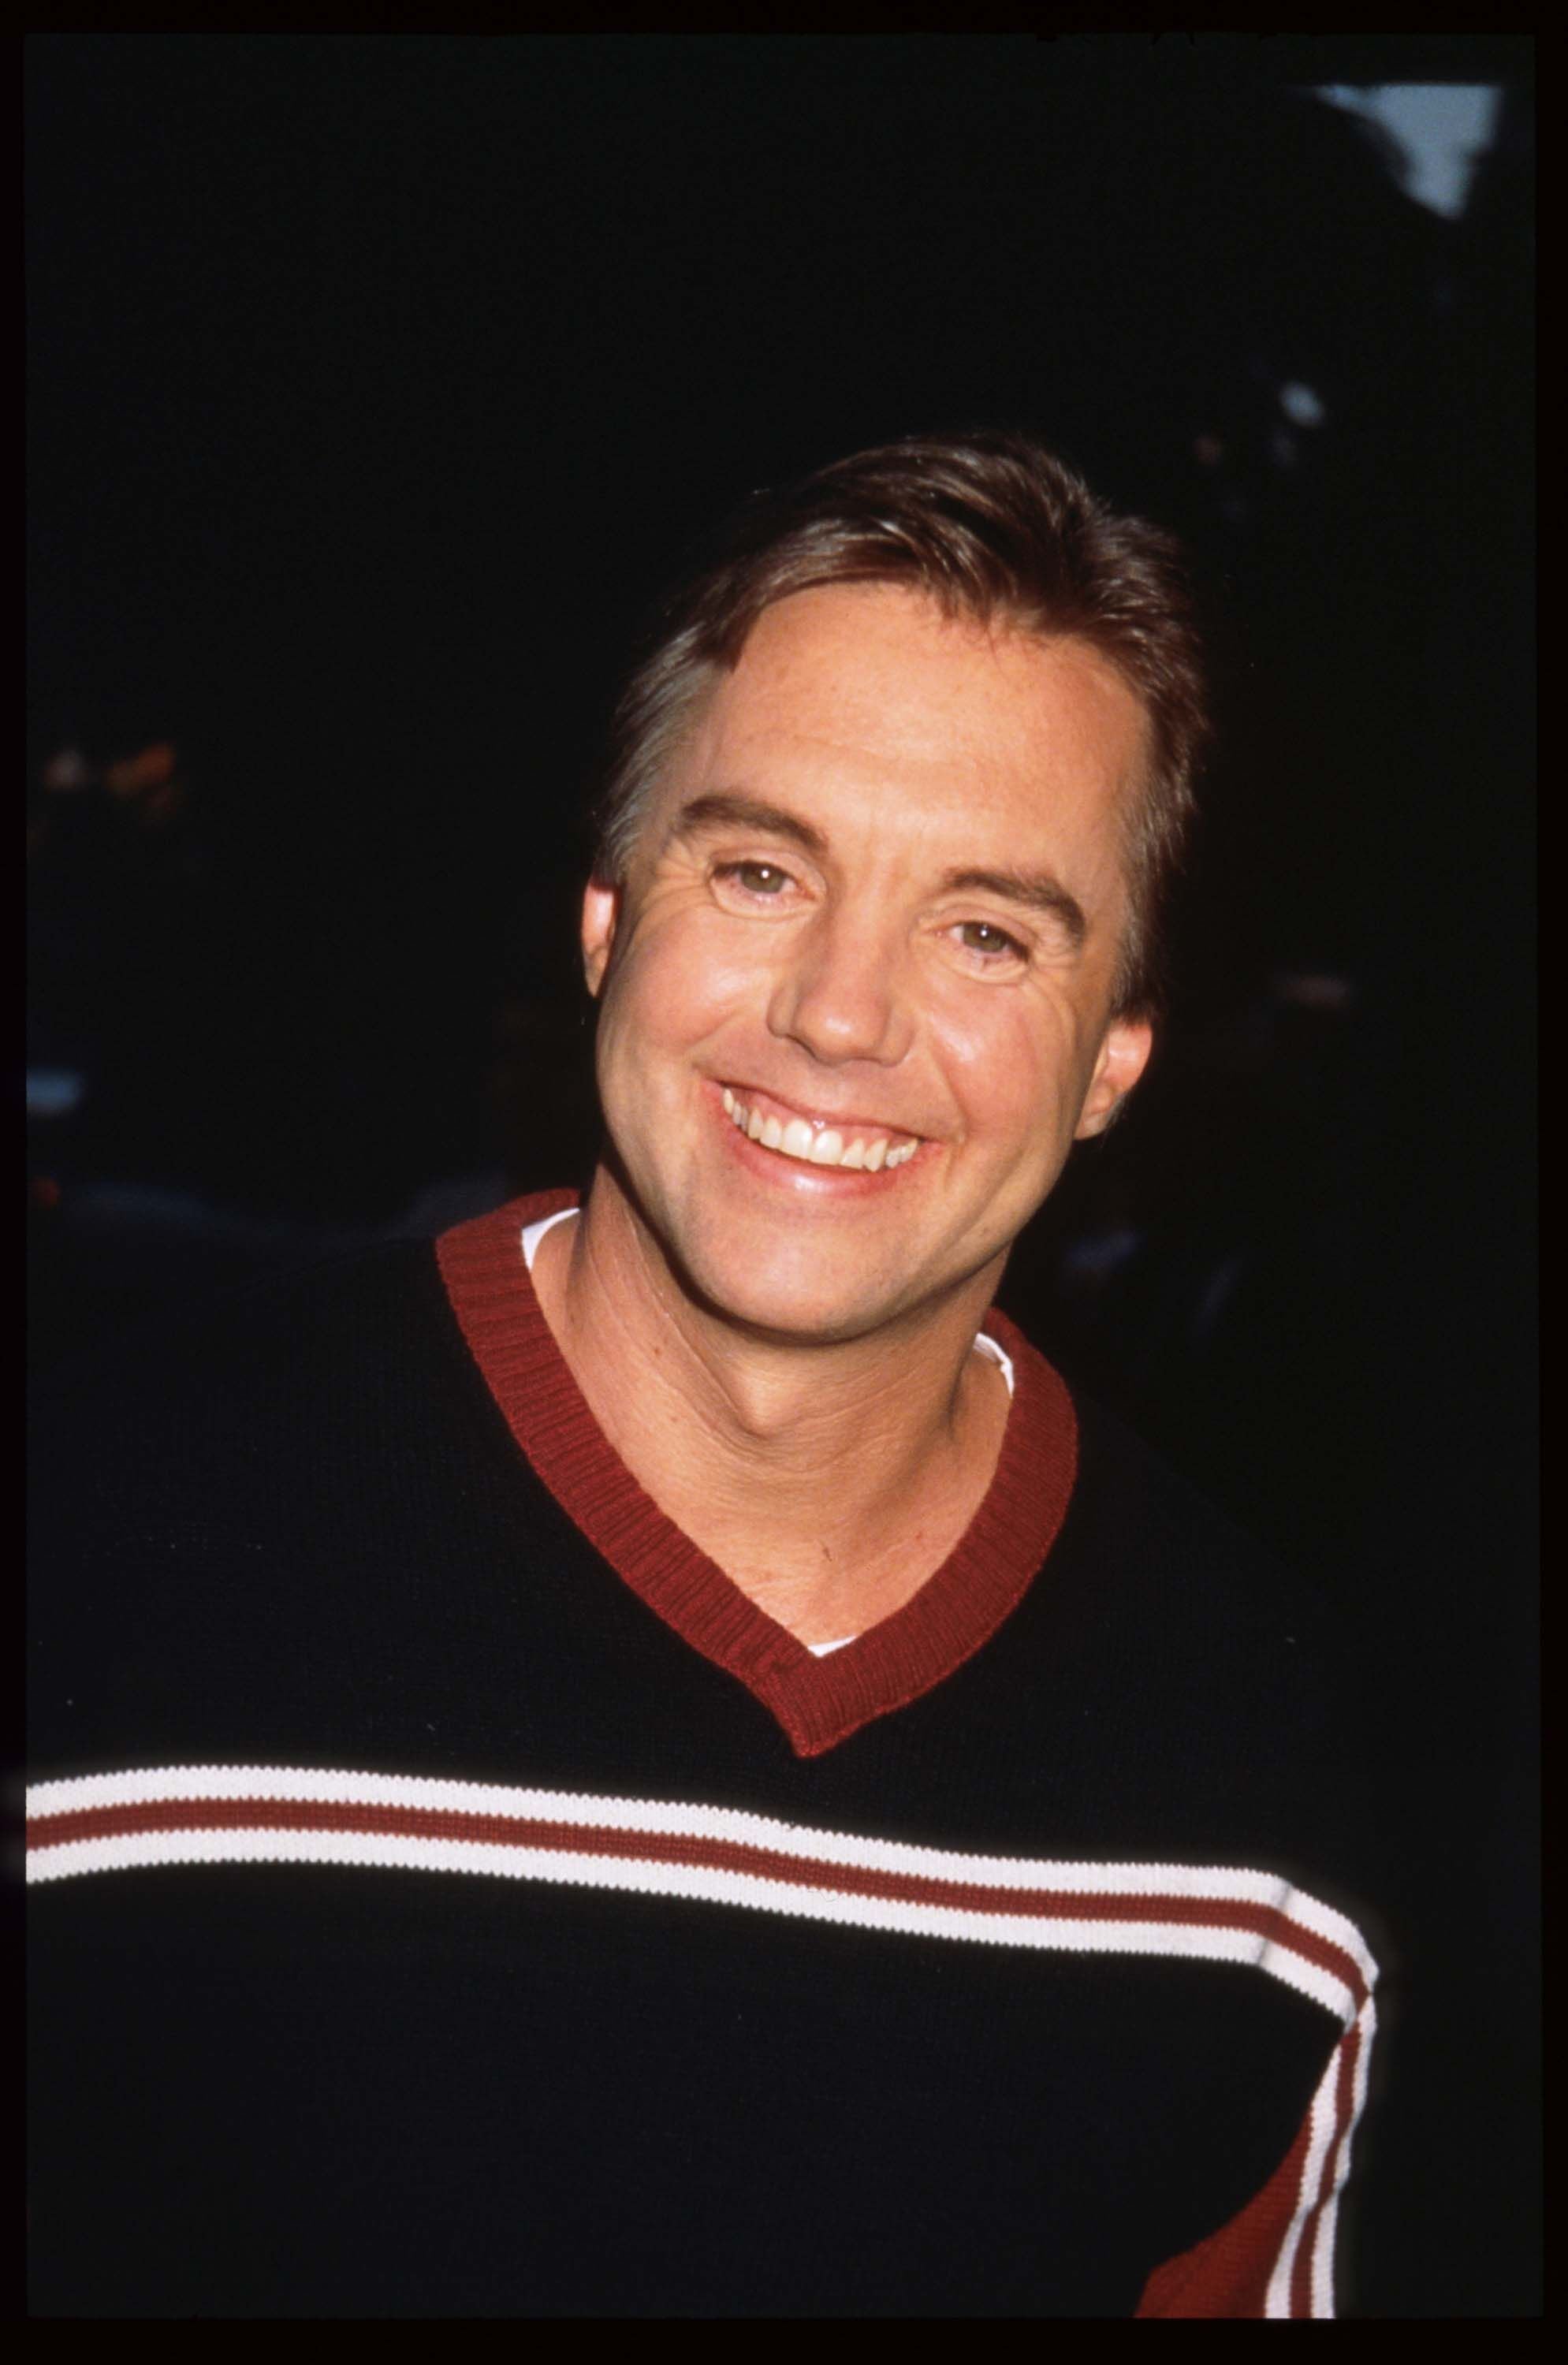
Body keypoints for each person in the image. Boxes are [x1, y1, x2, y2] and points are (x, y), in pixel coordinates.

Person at [28, 430, 1378, 2318]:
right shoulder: (86, 1552)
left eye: (985, 931)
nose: (840, 1014)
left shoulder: (1258, 1800)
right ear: (606, 922)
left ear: (1113, 1060)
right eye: (758, 869)